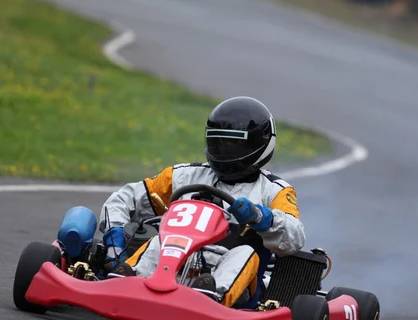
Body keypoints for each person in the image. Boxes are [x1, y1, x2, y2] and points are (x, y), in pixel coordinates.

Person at [99, 96, 306, 308]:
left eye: (234, 144)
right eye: (219, 142)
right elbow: (125, 198)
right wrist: (114, 232)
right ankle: (128, 283)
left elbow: (295, 237)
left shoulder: (274, 190)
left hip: (231, 278)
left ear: (259, 144)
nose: (225, 151)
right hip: (176, 262)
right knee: (159, 241)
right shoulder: (184, 176)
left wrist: (260, 217)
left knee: (246, 253)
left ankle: (210, 298)